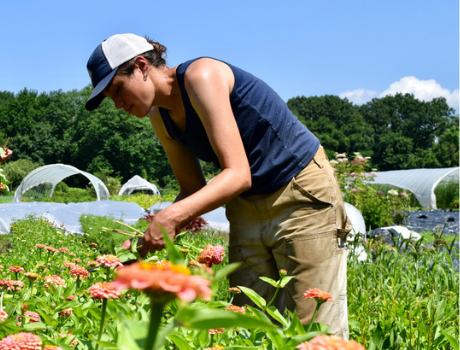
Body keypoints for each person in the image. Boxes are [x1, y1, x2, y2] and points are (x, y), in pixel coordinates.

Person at [85, 33, 352, 338]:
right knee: (247, 323)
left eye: (118, 89)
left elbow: (238, 174)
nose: (118, 104)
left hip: (299, 192)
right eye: (110, 98)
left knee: (311, 324)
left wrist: (170, 218)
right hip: (246, 204)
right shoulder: (161, 118)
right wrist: (141, 242)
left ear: (142, 65)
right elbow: (192, 190)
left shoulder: (201, 75)